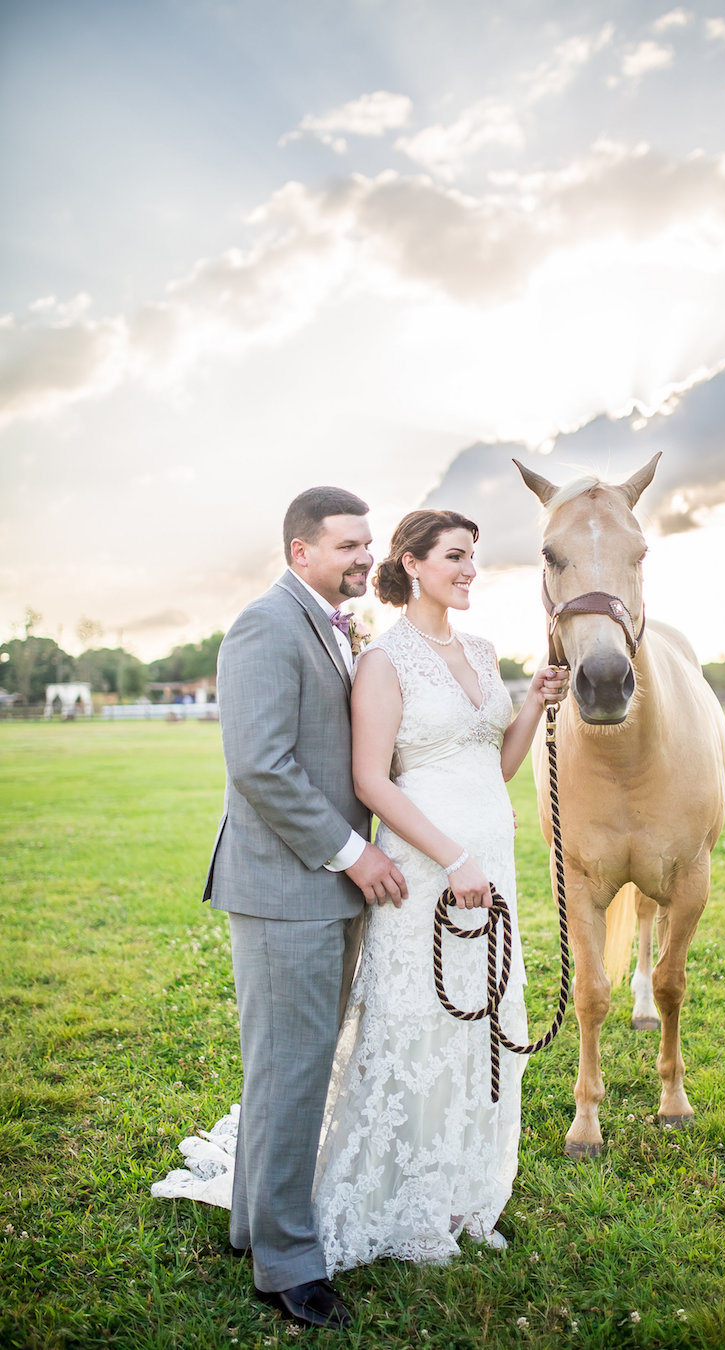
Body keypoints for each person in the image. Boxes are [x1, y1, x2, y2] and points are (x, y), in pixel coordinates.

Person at [311, 509, 568, 1273]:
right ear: (412, 564)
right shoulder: (384, 661)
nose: (469, 570)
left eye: (473, 558)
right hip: (430, 863)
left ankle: (464, 1190)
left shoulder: (485, 652)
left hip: (490, 857)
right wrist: (453, 857)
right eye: (455, 556)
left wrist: (531, 706)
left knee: (479, 1023)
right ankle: (407, 1197)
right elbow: (369, 778)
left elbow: (497, 767)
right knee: (421, 1021)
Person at [200, 487, 408, 1331]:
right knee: (291, 1071)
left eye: (368, 543)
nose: (367, 557)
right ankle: (286, 1266)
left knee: (289, 1067)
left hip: (315, 887)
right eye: (350, 545)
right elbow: (261, 766)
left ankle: (253, 1224)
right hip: (287, 890)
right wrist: (354, 852)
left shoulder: (330, 623)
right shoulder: (265, 625)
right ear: (301, 552)